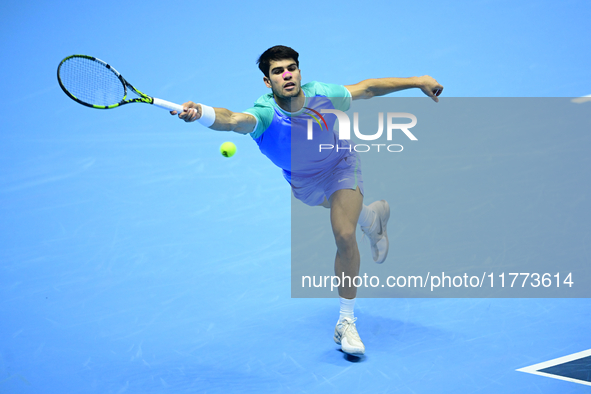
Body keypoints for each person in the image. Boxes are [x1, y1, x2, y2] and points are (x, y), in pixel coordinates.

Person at [172, 45, 443, 357]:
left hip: (341, 165)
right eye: (277, 71)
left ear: (299, 72)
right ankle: (372, 219)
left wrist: (418, 79)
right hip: (303, 181)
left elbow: (367, 89)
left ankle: (346, 321)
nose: (287, 75)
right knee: (348, 216)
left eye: (291, 68)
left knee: (343, 233)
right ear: (267, 82)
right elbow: (232, 119)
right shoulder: (264, 115)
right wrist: (202, 114)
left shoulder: (323, 95)